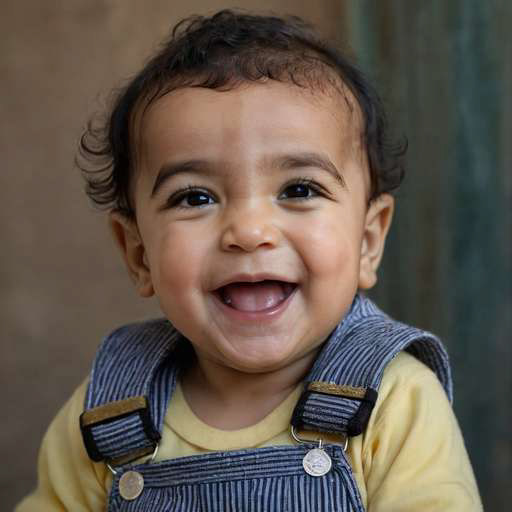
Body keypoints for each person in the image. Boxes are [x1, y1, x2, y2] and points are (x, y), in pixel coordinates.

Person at [16, 9, 482, 511]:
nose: (249, 232)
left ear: (368, 241)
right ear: (139, 254)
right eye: (195, 197)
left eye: (299, 189)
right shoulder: (107, 414)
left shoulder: (395, 403)